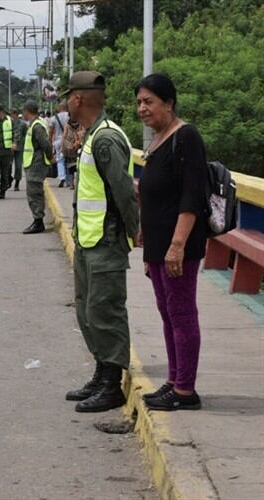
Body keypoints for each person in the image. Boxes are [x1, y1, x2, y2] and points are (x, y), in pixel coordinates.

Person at [62, 71, 139, 413]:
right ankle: (101, 371)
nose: (66, 103)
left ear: (78, 99)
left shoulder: (106, 139)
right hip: (89, 239)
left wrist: (136, 231)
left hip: (106, 241)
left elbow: (124, 191)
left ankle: (112, 383)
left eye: (68, 97)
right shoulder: (92, 136)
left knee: (105, 310)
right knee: (87, 309)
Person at [136, 73, 208, 411]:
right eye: (139, 102)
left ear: (169, 103)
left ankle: (185, 390)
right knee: (167, 314)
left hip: (177, 246)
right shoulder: (157, 140)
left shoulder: (186, 137)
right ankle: (173, 379)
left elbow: (192, 197)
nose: (142, 109)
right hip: (157, 245)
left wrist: (177, 245)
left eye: (149, 102)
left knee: (181, 313)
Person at [20, 100, 52, 234]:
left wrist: (50, 158)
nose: (23, 114)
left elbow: (45, 144)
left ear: (27, 111)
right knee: (34, 193)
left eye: (24, 111)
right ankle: (37, 220)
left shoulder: (37, 126)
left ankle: (38, 222)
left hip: (36, 164)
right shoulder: (34, 124)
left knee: (34, 194)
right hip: (33, 163)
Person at [50, 102, 71, 187]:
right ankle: (69, 179)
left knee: (60, 160)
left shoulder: (54, 118)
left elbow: (51, 131)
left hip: (58, 141)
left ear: (59, 108)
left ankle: (62, 178)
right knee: (69, 160)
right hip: (69, 140)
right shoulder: (70, 116)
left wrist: (50, 141)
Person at [10, 109, 28, 192]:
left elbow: (26, 135)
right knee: (8, 166)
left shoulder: (23, 124)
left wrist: (19, 143)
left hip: (20, 148)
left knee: (18, 166)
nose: (11, 116)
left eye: (12, 114)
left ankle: (17, 183)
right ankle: (8, 180)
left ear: (16, 114)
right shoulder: (8, 123)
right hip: (9, 148)